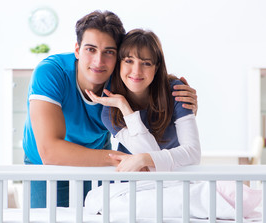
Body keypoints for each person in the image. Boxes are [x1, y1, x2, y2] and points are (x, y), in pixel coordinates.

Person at [23, 10, 198, 208]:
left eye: (109, 52)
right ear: (77, 50)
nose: (99, 61)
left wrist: (181, 102)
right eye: (90, 49)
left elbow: (149, 92)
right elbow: (50, 152)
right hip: (46, 162)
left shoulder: (121, 80)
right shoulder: (52, 72)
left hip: (96, 155)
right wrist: (128, 160)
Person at [86, 29, 201, 171]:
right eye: (129, 61)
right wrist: (124, 108)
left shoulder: (176, 91)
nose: (136, 71)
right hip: (133, 183)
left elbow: (193, 154)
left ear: (156, 67)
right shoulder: (112, 110)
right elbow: (151, 163)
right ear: (119, 64)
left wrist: (142, 158)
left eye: (146, 63)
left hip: (175, 181)